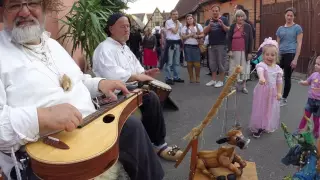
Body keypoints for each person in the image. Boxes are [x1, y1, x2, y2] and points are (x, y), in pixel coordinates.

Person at [0, 1, 164, 179]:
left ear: (44, 8)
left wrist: (100, 84)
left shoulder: (53, 45)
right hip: (44, 155)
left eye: (32, 3)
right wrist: (42, 118)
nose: (25, 12)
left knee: (132, 127)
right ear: (2, 12)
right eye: (15, 5)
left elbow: (77, 80)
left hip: (88, 127)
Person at [92, 13, 183, 162]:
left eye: (128, 26)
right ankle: (160, 145)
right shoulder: (104, 49)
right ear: (111, 29)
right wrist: (136, 77)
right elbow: (112, 74)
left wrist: (145, 73)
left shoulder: (125, 48)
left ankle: (150, 140)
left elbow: (137, 69)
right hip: (113, 95)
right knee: (151, 97)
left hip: (130, 89)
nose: (127, 29)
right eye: (122, 26)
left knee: (152, 96)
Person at [249, 38, 283, 138]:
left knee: (269, 109)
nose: (270, 57)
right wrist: (262, 77)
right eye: (267, 54)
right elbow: (260, 71)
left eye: (272, 55)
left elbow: (279, 81)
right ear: (263, 55)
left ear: (276, 56)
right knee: (261, 108)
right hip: (262, 91)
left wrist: (279, 92)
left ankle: (266, 125)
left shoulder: (277, 69)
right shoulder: (262, 65)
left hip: (272, 92)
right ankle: (259, 127)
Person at [276, 7, 303, 106]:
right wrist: (275, 55)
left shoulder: (297, 28)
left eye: (291, 15)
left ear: (294, 17)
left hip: (290, 54)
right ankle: (275, 95)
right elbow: (277, 44)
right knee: (275, 75)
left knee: (287, 77)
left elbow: (299, 44)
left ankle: (284, 98)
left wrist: (295, 59)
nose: (289, 17)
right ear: (285, 15)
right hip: (279, 55)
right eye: (288, 15)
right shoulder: (280, 29)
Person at [227, 10, 253, 94]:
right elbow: (228, 39)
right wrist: (230, 50)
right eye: (238, 16)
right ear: (236, 17)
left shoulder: (248, 26)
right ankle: (233, 86)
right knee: (234, 69)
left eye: (241, 16)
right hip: (234, 52)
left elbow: (250, 40)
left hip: (244, 51)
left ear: (244, 17)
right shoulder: (232, 26)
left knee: (244, 69)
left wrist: (249, 52)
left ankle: (243, 86)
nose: (240, 18)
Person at [203, 4, 229, 88]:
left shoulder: (224, 19)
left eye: (216, 11)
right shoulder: (208, 20)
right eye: (213, 11)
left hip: (221, 44)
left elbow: (228, 30)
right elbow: (205, 32)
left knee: (221, 63)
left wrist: (222, 24)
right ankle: (213, 80)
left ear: (219, 11)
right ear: (211, 11)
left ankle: (221, 81)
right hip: (211, 44)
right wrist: (209, 25)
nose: (215, 12)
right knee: (212, 63)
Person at [297, 56, 320, 138]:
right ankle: (299, 130)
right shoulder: (314, 75)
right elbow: (308, 82)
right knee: (306, 116)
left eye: (319, 64)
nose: (316, 66)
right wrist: (302, 82)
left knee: (316, 120)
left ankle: (316, 131)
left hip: (319, 103)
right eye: (316, 64)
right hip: (310, 100)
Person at [181, 14, 204, 83]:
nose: (189, 20)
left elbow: (203, 34)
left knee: (197, 63)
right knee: (189, 63)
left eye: (190, 18)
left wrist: (197, 36)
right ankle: (191, 77)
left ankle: (198, 77)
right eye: (188, 19)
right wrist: (189, 35)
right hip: (187, 46)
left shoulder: (198, 26)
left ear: (193, 19)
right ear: (186, 20)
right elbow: (182, 37)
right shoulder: (184, 28)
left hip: (196, 46)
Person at [164, 10, 184, 85]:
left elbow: (180, 34)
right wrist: (178, 24)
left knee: (177, 62)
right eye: (174, 14)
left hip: (178, 43)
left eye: (177, 14)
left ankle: (176, 77)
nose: (176, 15)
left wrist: (182, 44)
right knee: (169, 62)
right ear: (171, 15)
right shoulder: (168, 22)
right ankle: (168, 78)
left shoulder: (180, 24)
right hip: (171, 43)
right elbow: (175, 31)